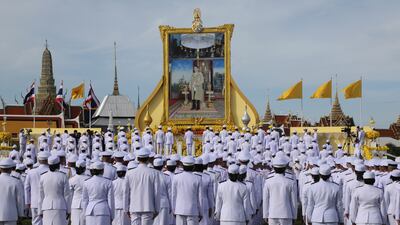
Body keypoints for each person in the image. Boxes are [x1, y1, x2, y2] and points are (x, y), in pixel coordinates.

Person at [124, 147, 161, 225]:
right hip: (148, 206)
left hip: (134, 206)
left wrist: (125, 208)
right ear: (148, 159)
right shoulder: (154, 173)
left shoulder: (129, 173)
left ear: (137, 159)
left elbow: (126, 192)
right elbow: (157, 192)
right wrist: (157, 209)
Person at [263, 156, 297, 225]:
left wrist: (265, 215)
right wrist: (294, 216)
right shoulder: (290, 182)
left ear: (274, 169)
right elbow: (293, 201)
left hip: (272, 214)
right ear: (284, 168)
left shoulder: (268, 181)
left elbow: (266, 200)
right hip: (287, 214)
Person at [39, 155, 71, 225]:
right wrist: (68, 210)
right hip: (60, 206)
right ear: (58, 165)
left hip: (46, 207)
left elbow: (41, 196)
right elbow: (67, 195)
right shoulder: (63, 176)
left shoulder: (43, 177)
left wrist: (40, 210)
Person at [172, 156, 203, 225]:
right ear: (193, 166)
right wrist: (201, 212)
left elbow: (173, 195)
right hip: (193, 210)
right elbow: (200, 197)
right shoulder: (198, 178)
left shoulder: (176, 177)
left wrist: (174, 210)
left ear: (183, 166)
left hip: (179, 209)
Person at [25, 151, 50, 225]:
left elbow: (26, 188)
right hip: (48, 202)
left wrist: (27, 202)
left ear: (39, 160)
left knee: (36, 222)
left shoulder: (31, 172)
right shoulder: (51, 172)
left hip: (34, 201)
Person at [0, 158, 25, 225]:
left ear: (0, 169)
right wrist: (20, 214)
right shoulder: (16, 182)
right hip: (11, 215)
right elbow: (20, 200)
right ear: (11, 169)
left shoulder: (16, 181)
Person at [69, 160, 90, 225]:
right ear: (84, 168)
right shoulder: (89, 179)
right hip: (87, 204)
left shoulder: (72, 179)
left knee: (75, 222)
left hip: (75, 204)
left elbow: (70, 195)